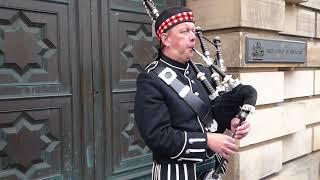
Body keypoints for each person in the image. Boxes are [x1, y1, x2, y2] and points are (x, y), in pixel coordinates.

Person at [134, 6, 251, 179]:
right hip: (174, 173)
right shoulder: (151, 79)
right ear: (165, 39)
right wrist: (208, 141)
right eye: (184, 31)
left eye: (192, 30)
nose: (192, 37)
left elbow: (213, 117)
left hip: (211, 167)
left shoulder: (204, 72)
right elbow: (157, 137)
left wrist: (232, 121)